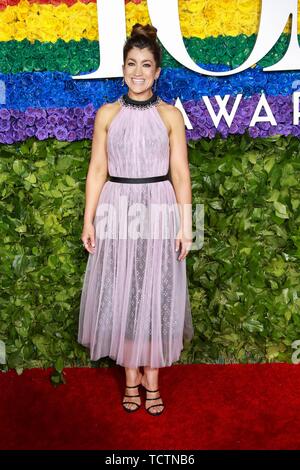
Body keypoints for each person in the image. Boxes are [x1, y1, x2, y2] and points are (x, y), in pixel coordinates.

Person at [78, 23, 194, 416]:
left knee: (156, 290)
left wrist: (186, 225)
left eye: (147, 64)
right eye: (132, 64)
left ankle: (154, 379)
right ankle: (131, 379)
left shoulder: (171, 116)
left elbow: (180, 174)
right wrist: (89, 220)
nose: (139, 72)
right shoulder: (107, 114)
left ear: (158, 71)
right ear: (123, 68)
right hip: (118, 206)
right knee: (125, 291)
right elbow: (97, 170)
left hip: (159, 207)